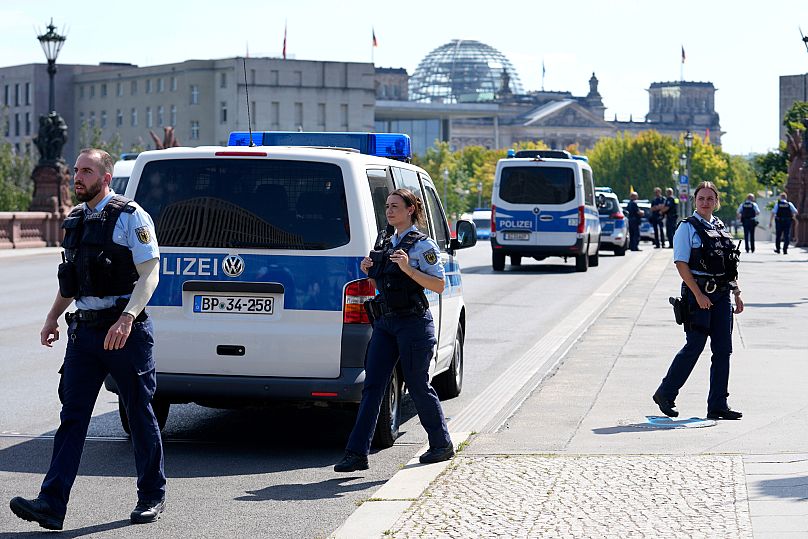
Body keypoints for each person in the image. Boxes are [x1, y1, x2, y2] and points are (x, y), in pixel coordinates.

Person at [9, 149, 166, 531]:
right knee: (72, 417)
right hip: (84, 334)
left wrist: (128, 318)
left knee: (140, 413)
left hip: (124, 334)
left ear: (106, 178)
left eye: (86, 171)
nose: (77, 177)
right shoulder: (76, 219)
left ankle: (151, 494)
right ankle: (52, 503)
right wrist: (51, 317)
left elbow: (150, 274)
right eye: (76, 170)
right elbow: (72, 281)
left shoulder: (131, 216)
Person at [334, 188, 453, 472]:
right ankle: (356, 453)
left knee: (417, 385)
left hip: (413, 323)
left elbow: (438, 285)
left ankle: (441, 444)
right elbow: (382, 285)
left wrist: (408, 268)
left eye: (395, 206)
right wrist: (369, 270)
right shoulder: (385, 241)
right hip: (386, 322)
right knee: (373, 386)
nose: (389, 211)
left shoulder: (423, 246)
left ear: (410, 209)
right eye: (387, 206)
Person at [653, 182, 744, 421]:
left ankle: (718, 405)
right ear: (695, 201)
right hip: (699, 293)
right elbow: (681, 264)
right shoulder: (687, 228)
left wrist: (736, 292)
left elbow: (729, 264)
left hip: (722, 294)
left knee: (723, 350)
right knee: (694, 345)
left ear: (716, 201)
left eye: (710, 199)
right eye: (701, 198)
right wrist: (698, 294)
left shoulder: (720, 227)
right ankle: (666, 393)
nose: (705, 202)